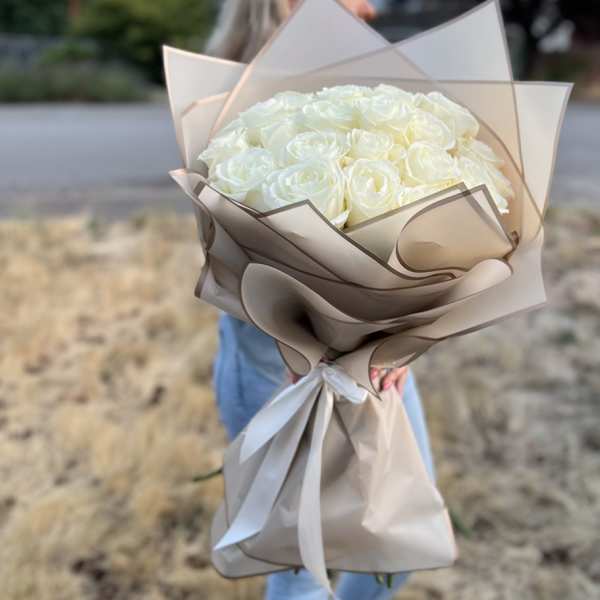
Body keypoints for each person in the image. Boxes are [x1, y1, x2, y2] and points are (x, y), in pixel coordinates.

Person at [207, 2, 436, 599]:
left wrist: (404, 334)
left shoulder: (368, 76)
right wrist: (304, 342)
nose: (371, 6)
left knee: (397, 546)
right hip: (275, 364)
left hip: (376, 361)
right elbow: (227, 252)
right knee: (299, 565)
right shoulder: (226, 92)